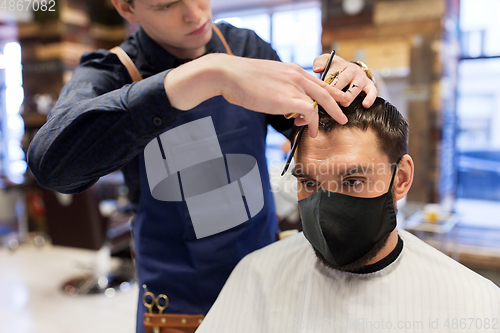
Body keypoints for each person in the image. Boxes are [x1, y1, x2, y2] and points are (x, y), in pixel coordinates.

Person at [26, 0, 378, 331]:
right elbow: (52, 165)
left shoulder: (244, 46)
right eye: (167, 4)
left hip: (264, 275)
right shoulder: (113, 72)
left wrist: (351, 87)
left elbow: (318, 127)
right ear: (125, 7)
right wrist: (208, 75)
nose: (194, 15)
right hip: (176, 298)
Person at [194, 93, 500, 333]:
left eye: (353, 181)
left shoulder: (474, 303)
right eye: (309, 182)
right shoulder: (257, 278)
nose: (327, 208)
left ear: (401, 178)